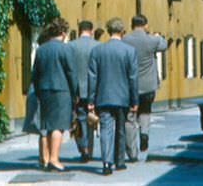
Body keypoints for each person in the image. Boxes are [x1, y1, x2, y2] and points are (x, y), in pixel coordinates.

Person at [87, 17, 138, 176]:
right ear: (122, 31)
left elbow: (92, 77)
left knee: (106, 129)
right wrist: (134, 99)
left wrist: (90, 100)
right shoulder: (130, 51)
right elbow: (133, 77)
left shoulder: (97, 50)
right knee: (121, 129)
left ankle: (106, 163)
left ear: (108, 31)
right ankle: (120, 161)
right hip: (123, 97)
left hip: (103, 96)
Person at [31, 17, 78, 172]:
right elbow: (71, 72)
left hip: (44, 90)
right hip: (61, 90)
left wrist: (38, 90)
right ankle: (54, 159)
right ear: (63, 33)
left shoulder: (41, 50)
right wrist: (75, 93)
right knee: (58, 126)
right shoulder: (65, 49)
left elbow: (35, 74)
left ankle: (45, 158)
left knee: (47, 126)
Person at [123, 14, 167, 159]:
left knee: (129, 117)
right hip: (148, 85)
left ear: (132, 25)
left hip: (130, 85)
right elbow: (164, 45)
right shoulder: (151, 40)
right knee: (145, 111)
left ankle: (132, 152)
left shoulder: (125, 40)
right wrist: (158, 35)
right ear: (145, 25)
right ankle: (144, 134)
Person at [69, 20, 99, 162]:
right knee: (92, 120)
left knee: (80, 118)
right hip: (95, 89)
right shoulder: (98, 46)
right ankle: (89, 149)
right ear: (91, 30)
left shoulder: (71, 46)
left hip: (77, 89)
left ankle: (84, 148)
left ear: (79, 29)